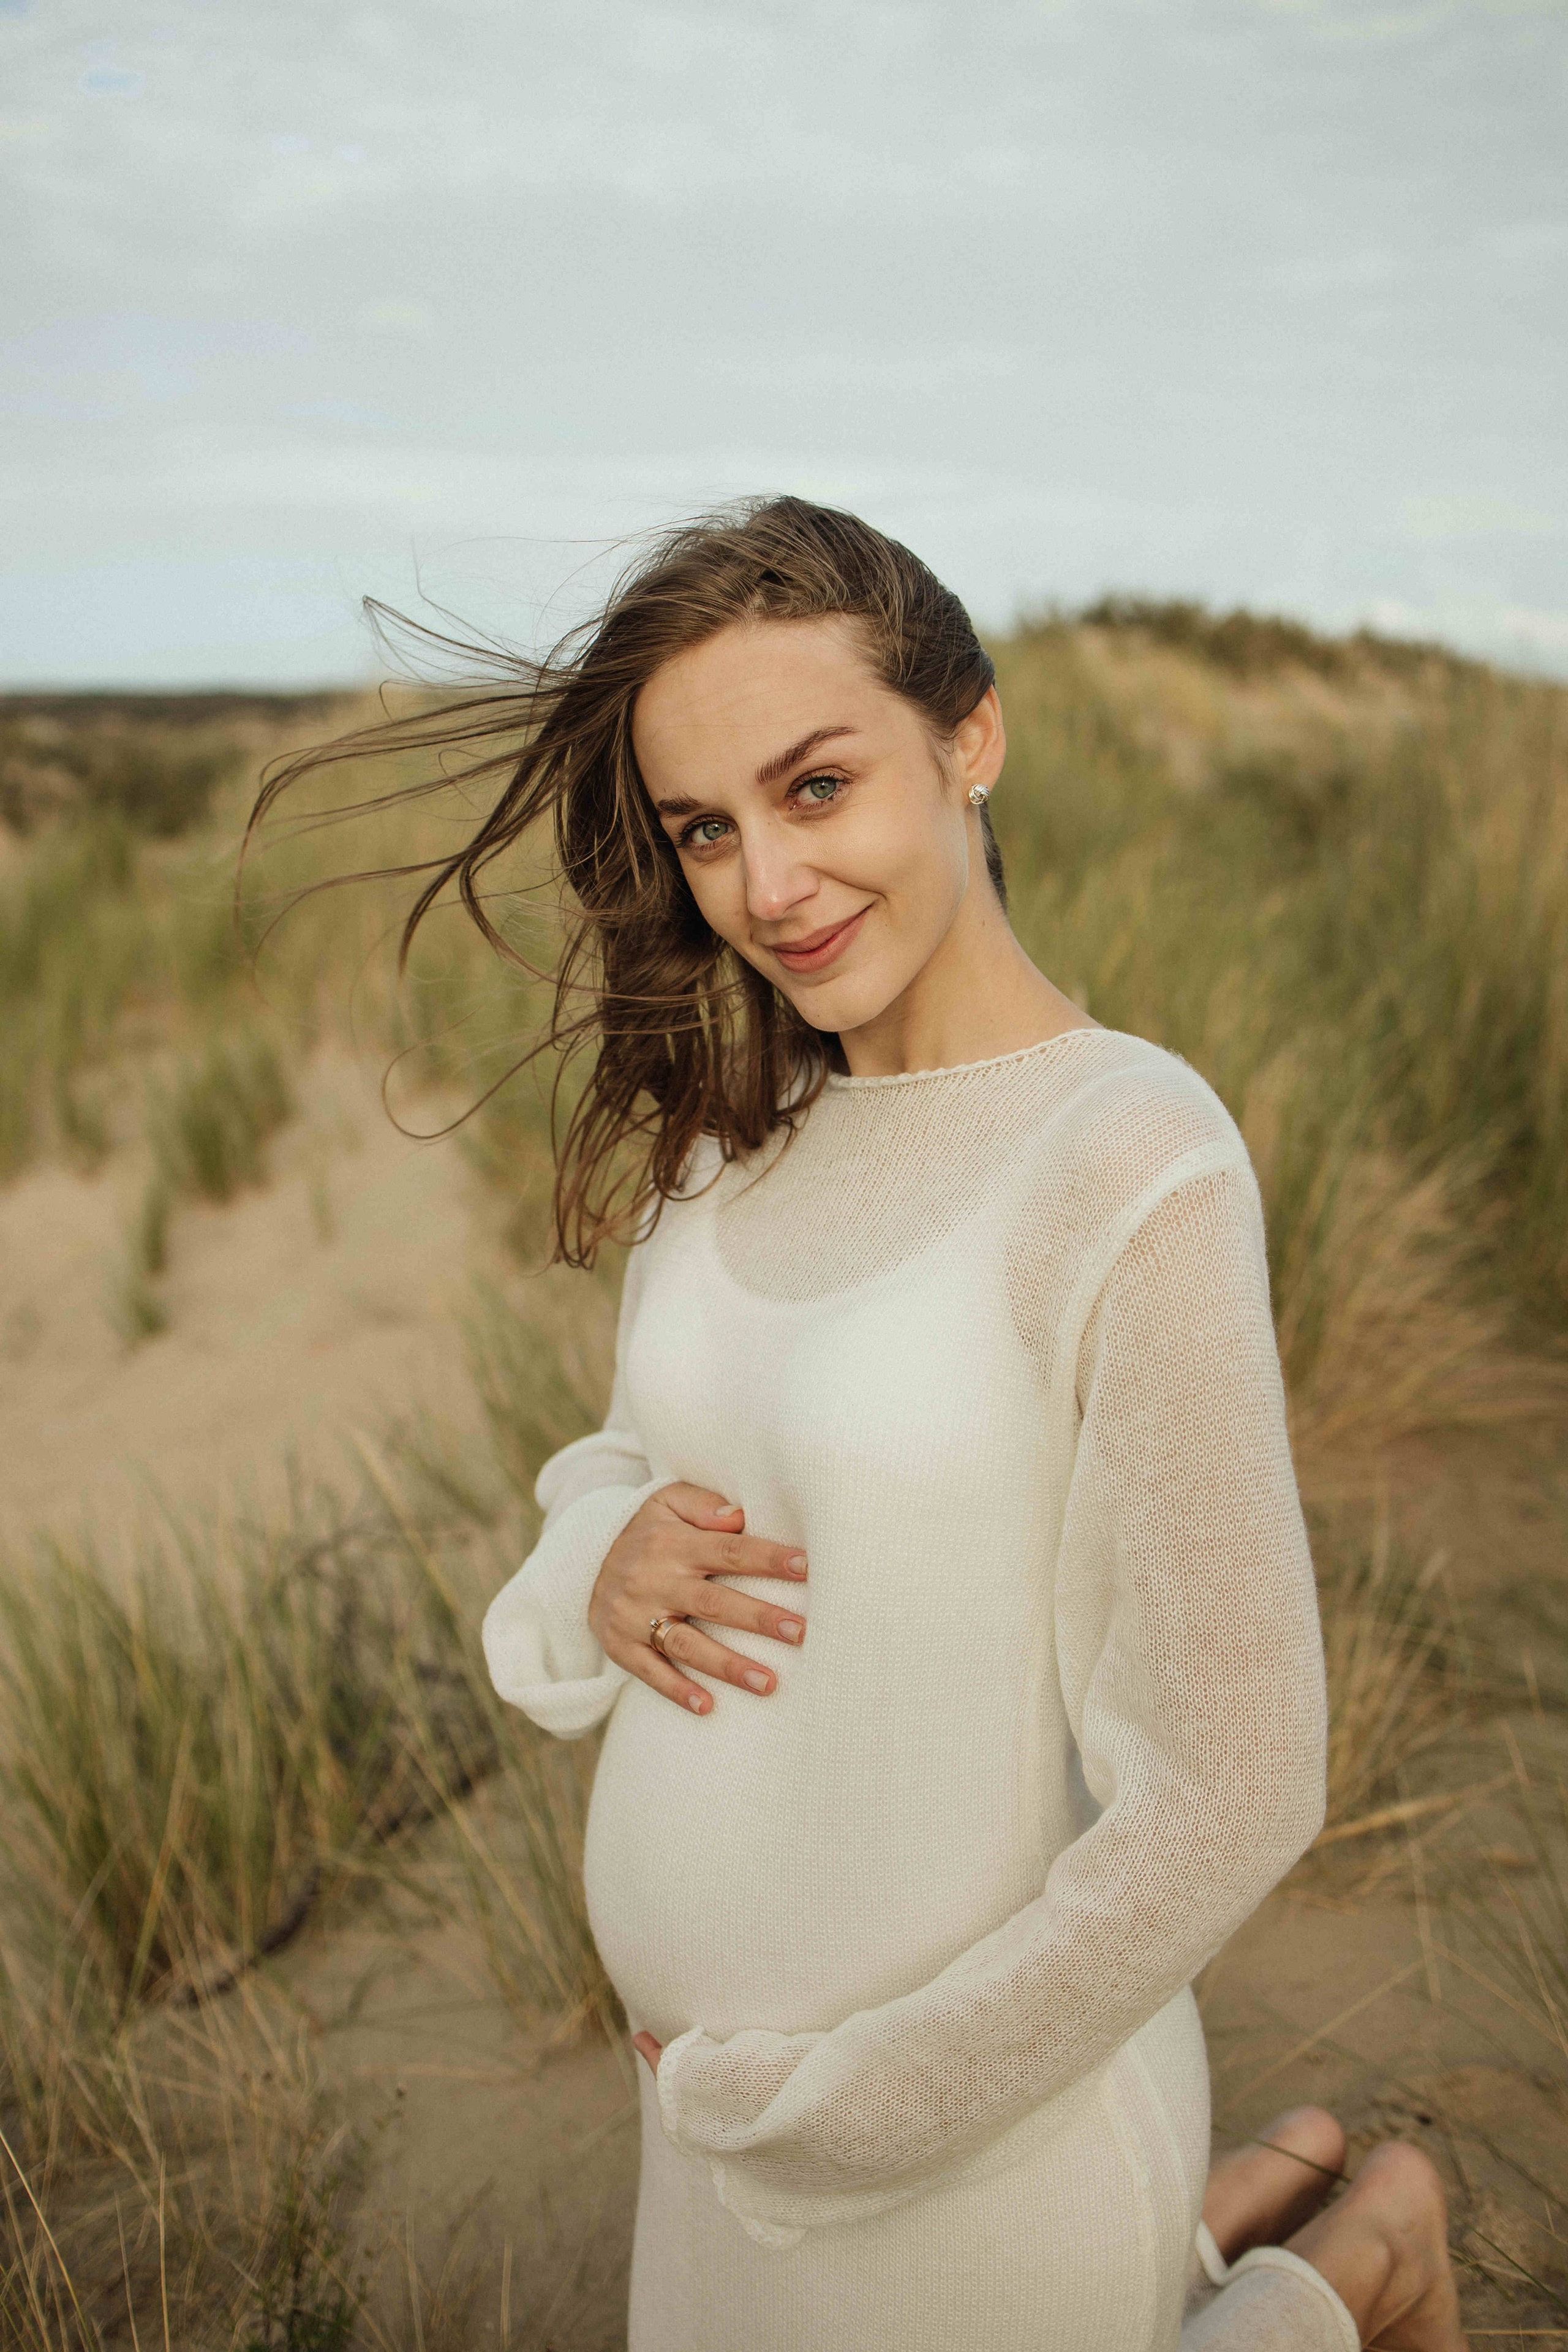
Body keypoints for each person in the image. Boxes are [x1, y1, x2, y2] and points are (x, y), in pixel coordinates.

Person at [270, 497, 1465, 2348]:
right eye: (706, 830)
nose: (765, 884)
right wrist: (598, 1554)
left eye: (817, 787)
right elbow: (622, 1458)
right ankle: (1316, 2236)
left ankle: (1356, 2264)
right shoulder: (733, 1146)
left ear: (969, 738)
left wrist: (861, 2119)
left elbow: (1237, 1782)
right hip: (706, 2139)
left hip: (961, 2151)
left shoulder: (1128, 1159)